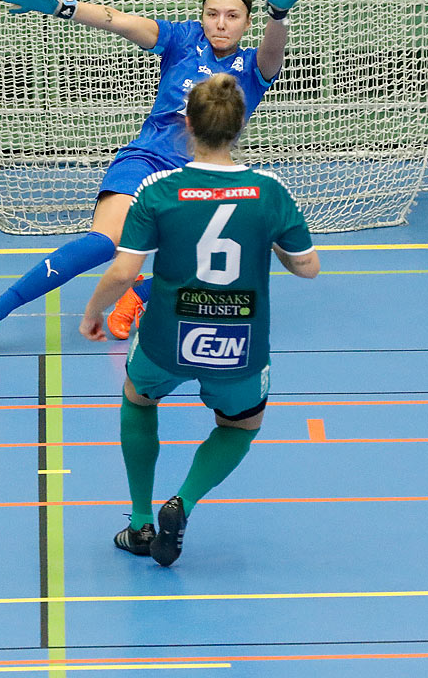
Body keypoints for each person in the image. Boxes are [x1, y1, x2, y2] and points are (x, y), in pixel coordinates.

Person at [0, 0, 312, 356]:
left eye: (232, 16)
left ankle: (138, 295)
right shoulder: (180, 40)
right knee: (104, 243)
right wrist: (63, 6)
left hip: (199, 173)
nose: (221, 23)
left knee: (222, 248)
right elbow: (117, 21)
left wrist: (279, 14)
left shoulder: (253, 67)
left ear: (246, 22)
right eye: (213, 13)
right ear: (202, 17)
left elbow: (274, 52)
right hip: (148, 162)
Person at [80, 73, 319, 567]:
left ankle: (141, 521)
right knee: (240, 425)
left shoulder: (159, 188)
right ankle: (182, 502)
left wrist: (94, 310)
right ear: (241, 125)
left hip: (169, 336)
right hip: (239, 343)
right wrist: (271, 238)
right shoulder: (269, 191)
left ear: (186, 123)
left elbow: (125, 270)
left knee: (139, 398)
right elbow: (307, 267)